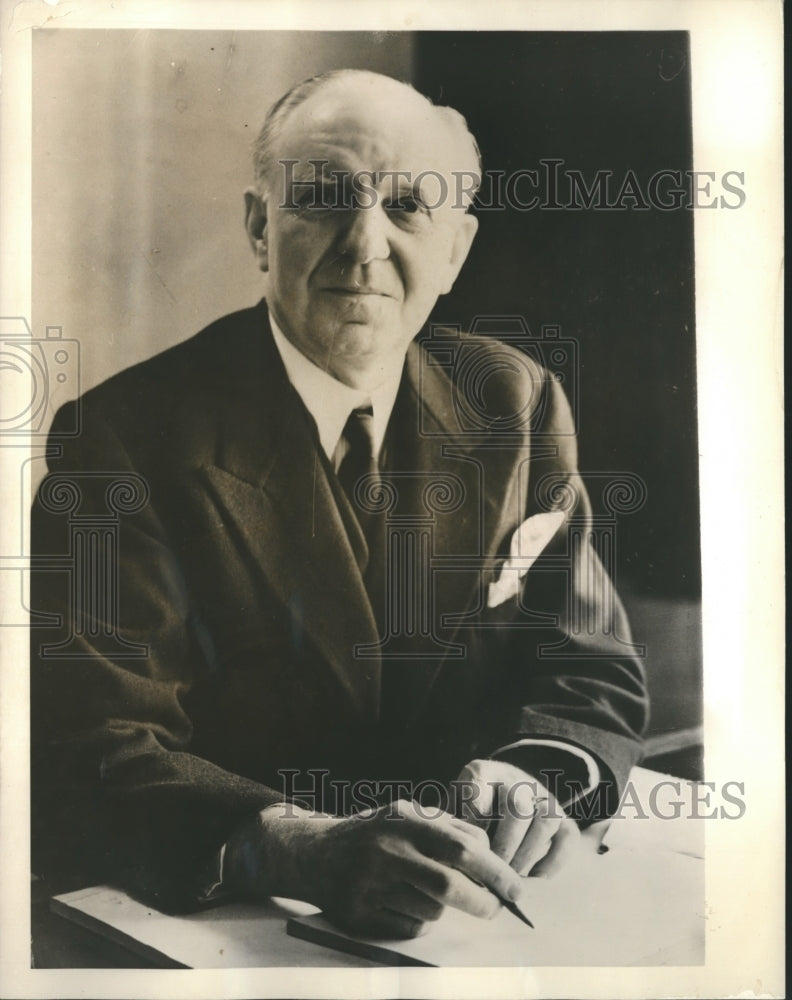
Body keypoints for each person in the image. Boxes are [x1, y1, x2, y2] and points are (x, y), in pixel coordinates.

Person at [30, 69, 648, 939]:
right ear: (259, 226)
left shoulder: (515, 400)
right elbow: (88, 750)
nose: (363, 244)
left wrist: (535, 776)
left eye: (406, 208)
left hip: (477, 920)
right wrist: (295, 848)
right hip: (234, 926)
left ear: (456, 249)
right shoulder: (122, 438)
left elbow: (589, 662)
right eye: (323, 199)